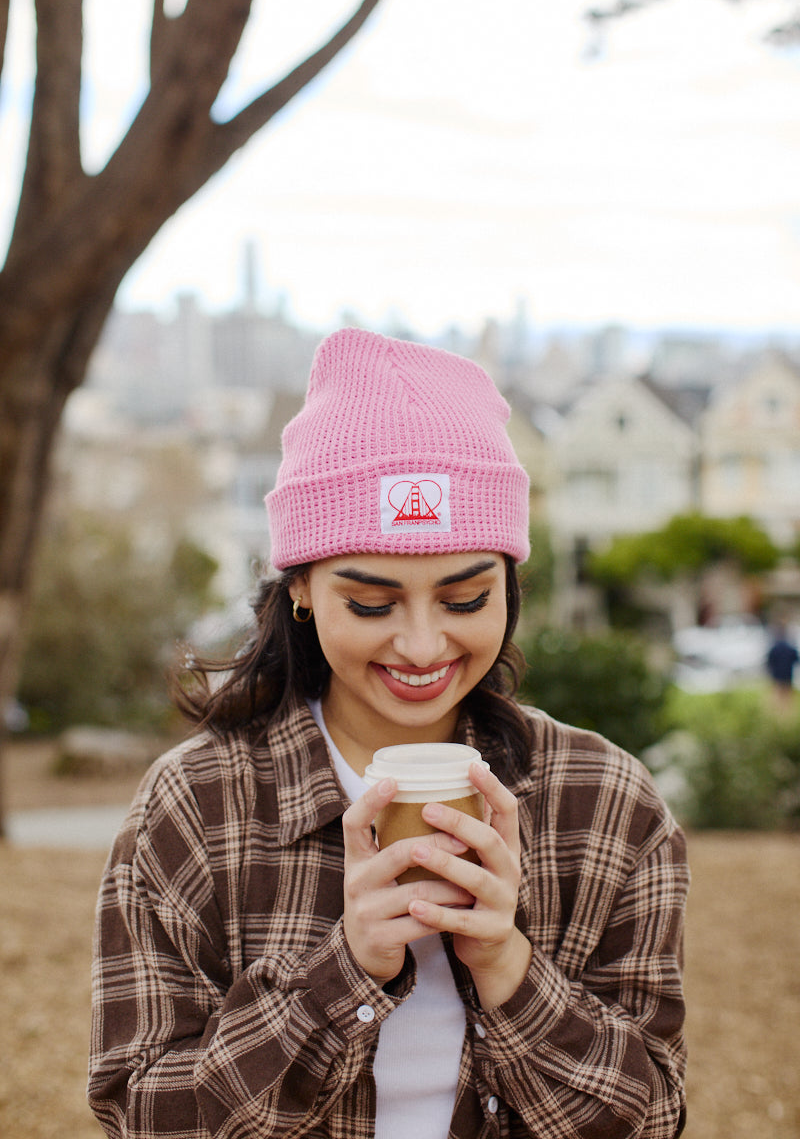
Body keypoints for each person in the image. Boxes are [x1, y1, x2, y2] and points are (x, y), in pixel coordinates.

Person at [88, 329, 689, 1139]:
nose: (419, 645)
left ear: (510, 583)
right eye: (371, 603)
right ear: (299, 586)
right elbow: (140, 1116)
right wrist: (344, 974)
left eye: (465, 599)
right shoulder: (198, 805)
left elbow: (650, 1119)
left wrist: (509, 966)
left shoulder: (608, 806)